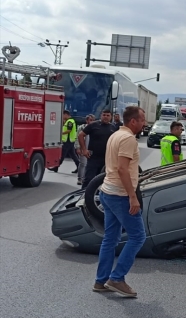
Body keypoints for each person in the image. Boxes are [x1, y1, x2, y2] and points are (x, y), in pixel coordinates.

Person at [92, 106, 146, 297]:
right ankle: (117, 278)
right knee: (138, 236)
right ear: (133, 121)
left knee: (111, 238)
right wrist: (132, 196)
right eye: (142, 120)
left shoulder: (115, 135)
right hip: (120, 195)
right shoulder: (128, 139)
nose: (144, 123)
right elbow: (123, 169)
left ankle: (100, 281)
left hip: (107, 191)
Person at [78, 109, 117, 189]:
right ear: (101, 115)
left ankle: (96, 198)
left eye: (108, 115)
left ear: (111, 117)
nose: (105, 117)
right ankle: (83, 197)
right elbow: (81, 135)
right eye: (104, 115)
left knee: (102, 181)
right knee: (89, 179)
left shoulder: (113, 127)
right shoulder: (94, 125)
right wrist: (84, 150)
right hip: (93, 158)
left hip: (106, 159)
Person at [75, 114, 95, 185]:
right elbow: (77, 138)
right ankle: (80, 179)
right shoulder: (82, 128)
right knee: (83, 164)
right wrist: (78, 148)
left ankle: (88, 178)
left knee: (90, 165)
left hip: (92, 149)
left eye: (93, 120)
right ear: (87, 120)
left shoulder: (95, 128)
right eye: (90, 120)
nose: (91, 122)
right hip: (83, 148)